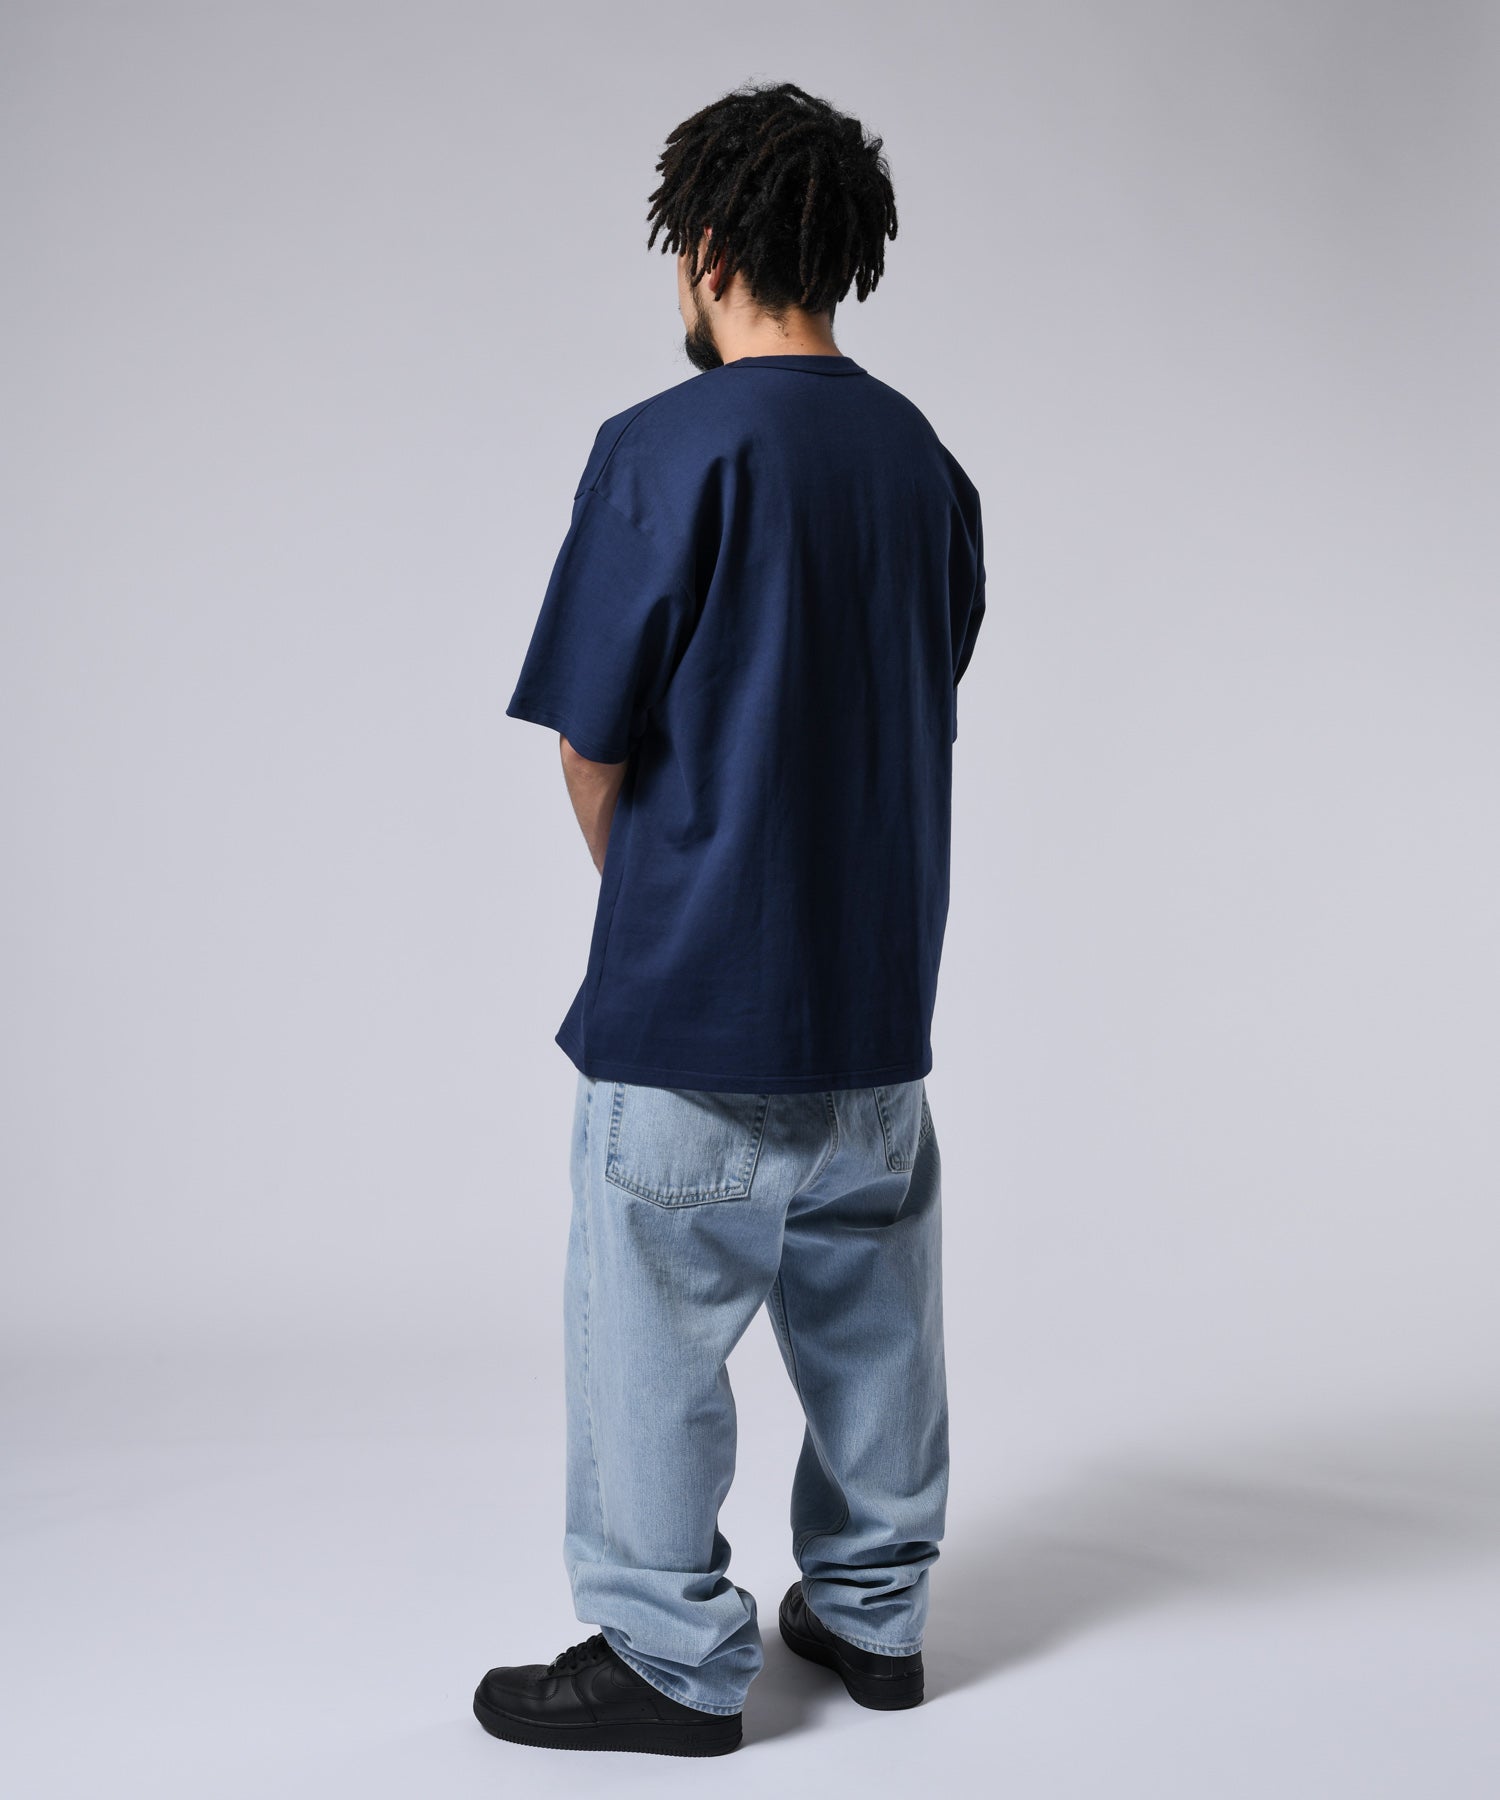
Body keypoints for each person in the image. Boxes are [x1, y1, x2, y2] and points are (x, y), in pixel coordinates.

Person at [474, 78, 986, 1758]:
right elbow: (908, 695)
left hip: (696, 1013)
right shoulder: (924, 466)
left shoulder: (662, 446)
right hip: (878, 1017)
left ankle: (665, 1654)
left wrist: (666, 907)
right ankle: (876, 1613)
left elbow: (591, 739)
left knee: (649, 1329)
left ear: (704, 248)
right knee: (876, 1320)